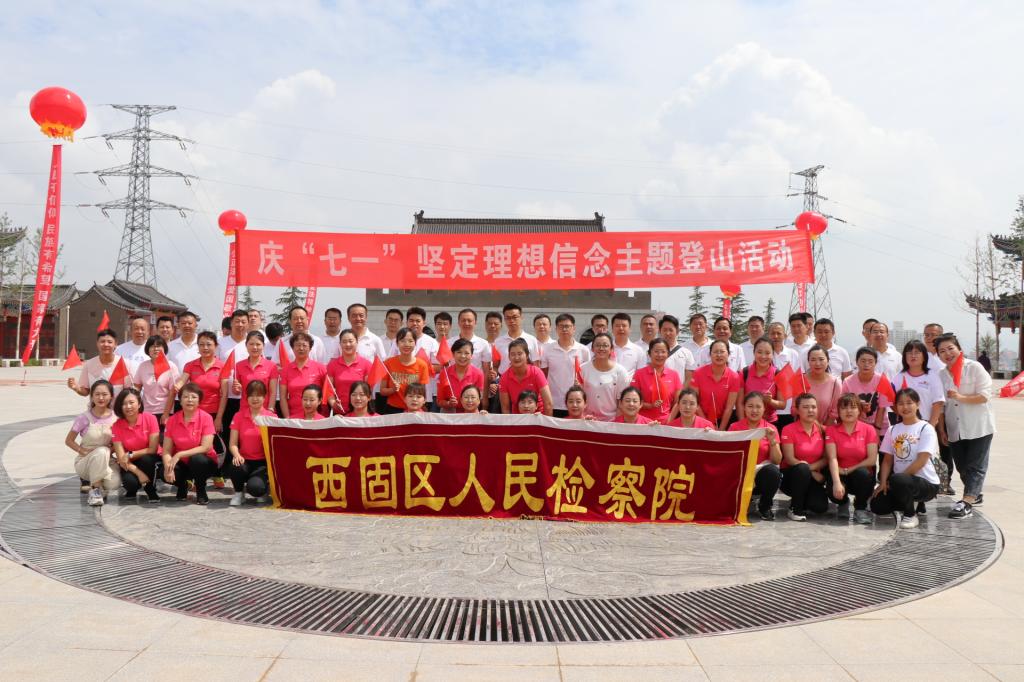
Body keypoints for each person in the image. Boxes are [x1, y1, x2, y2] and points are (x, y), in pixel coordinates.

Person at [936, 333, 995, 520]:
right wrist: (942, 429)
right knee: (962, 466)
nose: (947, 354)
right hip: (955, 428)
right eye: (942, 351)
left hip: (978, 426)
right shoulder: (941, 375)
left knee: (976, 465)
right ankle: (975, 493)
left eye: (950, 349)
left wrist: (960, 397)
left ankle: (966, 502)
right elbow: (942, 406)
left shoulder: (974, 367)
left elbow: (985, 396)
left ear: (959, 349)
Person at [871, 388, 942, 528]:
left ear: (918, 404)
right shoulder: (892, 430)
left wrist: (896, 481)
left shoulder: (926, 428)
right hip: (900, 482)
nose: (905, 407)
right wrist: (883, 483)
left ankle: (910, 515)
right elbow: (887, 460)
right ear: (896, 407)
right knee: (878, 506)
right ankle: (908, 501)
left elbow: (922, 460)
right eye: (901, 403)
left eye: (909, 403)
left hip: (926, 483)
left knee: (899, 480)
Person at [893, 340, 949, 493]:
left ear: (924, 356)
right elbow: (892, 402)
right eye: (909, 352)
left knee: (925, 462)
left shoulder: (932, 376)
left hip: (925, 425)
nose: (913, 355)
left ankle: (925, 494)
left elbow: (938, 402)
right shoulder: (899, 377)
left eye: (917, 352)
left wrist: (931, 425)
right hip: (905, 427)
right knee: (905, 458)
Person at [824, 393, 879, 524]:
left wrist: (849, 470)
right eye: (844, 408)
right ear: (838, 412)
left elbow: (872, 459)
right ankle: (843, 503)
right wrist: (837, 482)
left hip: (860, 474)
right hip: (839, 471)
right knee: (833, 487)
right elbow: (832, 458)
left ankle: (860, 508)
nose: (848, 411)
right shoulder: (831, 430)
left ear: (859, 410)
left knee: (863, 474)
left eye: (853, 407)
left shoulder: (869, 429)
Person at [64, 380, 119, 506]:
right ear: (91, 396)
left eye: (104, 394)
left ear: (111, 396)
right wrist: (82, 451)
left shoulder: (116, 418)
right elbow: (69, 440)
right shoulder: (83, 417)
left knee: (114, 483)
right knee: (102, 451)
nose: (101, 398)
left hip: (108, 460)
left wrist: (113, 450)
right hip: (85, 462)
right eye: (97, 394)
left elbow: (118, 442)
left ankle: (100, 486)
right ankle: (95, 490)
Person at [729, 391, 782, 520]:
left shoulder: (771, 429)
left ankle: (765, 505)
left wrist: (772, 441)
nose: (754, 410)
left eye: (758, 407)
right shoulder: (735, 427)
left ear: (764, 409)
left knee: (773, 472)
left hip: (760, 473)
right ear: (744, 408)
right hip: (740, 472)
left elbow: (777, 460)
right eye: (750, 406)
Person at [162, 383, 217, 504]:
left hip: (204, 462)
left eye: (193, 397)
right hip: (182, 463)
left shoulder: (206, 418)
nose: (190, 400)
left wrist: (179, 454)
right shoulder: (172, 420)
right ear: (180, 401)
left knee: (197, 459)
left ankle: (201, 490)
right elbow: (166, 450)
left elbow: (206, 447)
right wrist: (168, 467)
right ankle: (183, 485)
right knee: (163, 469)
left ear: (199, 401)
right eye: (186, 397)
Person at [779, 393, 830, 521]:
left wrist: (809, 470)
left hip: (812, 476)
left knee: (820, 507)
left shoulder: (824, 430)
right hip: (792, 475)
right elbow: (789, 459)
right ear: (797, 410)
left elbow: (826, 458)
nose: (810, 410)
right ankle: (795, 508)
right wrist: (810, 471)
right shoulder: (788, 429)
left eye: (813, 407)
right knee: (802, 469)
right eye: (805, 407)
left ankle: (802, 498)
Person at [226, 379, 274, 507]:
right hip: (244, 460)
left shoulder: (271, 417)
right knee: (235, 465)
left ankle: (263, 490)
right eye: (251, 395)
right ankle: (238, 493)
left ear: (265, 397)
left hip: (262, 463)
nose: (255, 399)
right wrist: (237, 455)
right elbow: (232, 444)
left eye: (258, 395)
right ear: (246, 398)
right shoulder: (238, 416)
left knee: (256, 489)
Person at [110, 388, 161, 502]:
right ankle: (134, 487)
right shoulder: (116, 426)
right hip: (129, 463)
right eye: (124, 404)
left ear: (139, 404)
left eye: (131, 402)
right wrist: (139, 473)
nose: (128, 406)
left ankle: (150, 489)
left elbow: (153, 449)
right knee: (130, 483)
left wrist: (131, 454)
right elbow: (121, 457)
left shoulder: (150, 418)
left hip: (150, 458)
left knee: (147, 459)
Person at [223, 331, 278, 433]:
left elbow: (273, 391)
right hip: (245, 410)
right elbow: (236, 392)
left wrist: (270, 409)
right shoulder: (239, 365)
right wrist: (236, 389)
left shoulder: (271, 366)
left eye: (258, 344)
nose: (255, 347)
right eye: (251, 344)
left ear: (263, 345)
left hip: (264, 411)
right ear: (246, 345)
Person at [542, 313, 591, 417]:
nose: (564, 329)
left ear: (574, 328)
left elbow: (587, 375)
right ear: (556, 329)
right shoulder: (548, 349)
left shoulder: (583, 350)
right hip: (554, 402)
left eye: (567, 326)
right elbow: (544, 375)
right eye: (561, 326)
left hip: (575, 404)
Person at [685, 339, 741, 430]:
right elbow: (695, 402)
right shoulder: (698, 373)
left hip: (723, 420)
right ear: (710, 355)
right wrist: (707, 424)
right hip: (700, 419)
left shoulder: (734, 377)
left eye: (722, 352)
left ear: (728, 354)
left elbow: (729, 407)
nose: (719, 355)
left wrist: (720, 430)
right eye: (715, 352)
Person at [579, 332, 631, 421]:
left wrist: (615, 422)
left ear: (611, 349)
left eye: (605, 345)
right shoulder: (582, 369)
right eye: (598, 345)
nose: (601, 348)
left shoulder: (621, 372)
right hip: (587, 420)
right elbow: (578, 397)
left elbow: (621, 403)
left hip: (611, 421)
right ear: (592, 349)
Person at [68, 329, 133, 399]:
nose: (106, 344)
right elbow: (86, 391)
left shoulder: (124, 363)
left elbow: (129, 390)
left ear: (115, 344)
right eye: (102, 341)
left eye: (110, 342)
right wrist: (76, 388)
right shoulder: (89, 364)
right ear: (97, 343)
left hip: (117, 406)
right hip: (96, 406)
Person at [131, 335, 180, 428]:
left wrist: (166, 414)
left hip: (164, 411)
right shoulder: (143, 366)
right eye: (152, 346)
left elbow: (172, 392)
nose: (156, 349)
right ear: (148, 349)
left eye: (159, 346)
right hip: (146, 411)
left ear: (164, 348)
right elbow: (137, 387)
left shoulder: (171, 366)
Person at [842, 347, 892, 437]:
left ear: (875, 363)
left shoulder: (882, 380)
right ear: (856, 362)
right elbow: (844, 405)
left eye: (870, 361)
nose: (866, 364)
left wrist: (877, 430)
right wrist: (858, 406)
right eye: (863, 361)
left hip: (880, 428)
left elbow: (882, 408)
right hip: (856, 428)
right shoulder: (848, 382)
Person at [631, 338, 682, 423]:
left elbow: (677, 402)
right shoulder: (639, 374)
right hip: (643, 422)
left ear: (668, 354)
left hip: (666, 422)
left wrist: (669, 420)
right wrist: (650, 406)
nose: (660, 355)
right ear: (649, 354)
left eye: (663, 352)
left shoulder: (674, 375)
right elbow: (633, 399)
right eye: (656, 351)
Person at [380, 328, 431, 414]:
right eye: (402, 341)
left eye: (410, 341)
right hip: (393, 410)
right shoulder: (388, 363)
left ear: (415, 343)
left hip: (414, 410)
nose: (406, 344)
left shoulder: (422, 365)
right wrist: (393, 389)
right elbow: (382, 391)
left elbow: (422, 393)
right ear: (397, 343)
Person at [499, 338, 554, 415]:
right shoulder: (504, 378)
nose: (516, 357)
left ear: (527, 355)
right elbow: (505, 408)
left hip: (538, 416)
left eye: (519, 354)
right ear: (509, 356)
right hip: (518, 418)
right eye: (513, 354)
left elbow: (548, 404)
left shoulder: (536, 372)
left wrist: (545, 421)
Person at [179, 331, 224, 422]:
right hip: (193, 411)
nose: (205, 348)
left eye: (209, 344)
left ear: (215, 346)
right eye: (201, 345)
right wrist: (177, 386)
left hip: (213, 413)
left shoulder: (222, 366)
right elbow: (181, 382)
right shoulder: (190, 365)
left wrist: (219, 418)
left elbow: (224, 395)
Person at [280, 332, 327, 419]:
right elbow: (283, 397)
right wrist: (287, 418)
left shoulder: (320, 368)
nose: (301, 348)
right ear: (292, 348)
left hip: (316, 418)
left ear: (310, 348)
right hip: (294, 418)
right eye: (298, 345)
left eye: (304, 345)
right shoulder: (286, 370)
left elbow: (327, 393)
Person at [325, 329, 371, 415]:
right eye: (344, 342)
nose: (348, 344)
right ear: (340, 344)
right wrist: (333, 404)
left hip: (359, 412)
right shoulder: (332, 365)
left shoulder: (366, 364)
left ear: (357, 342)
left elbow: (368, 390)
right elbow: (328, 389)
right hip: (340, 412)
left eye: (350, 341)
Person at [402, 307, 441, 408]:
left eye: (418, 321)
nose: (414, 323)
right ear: (406, 323)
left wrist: (419, 368)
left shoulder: (432, 342)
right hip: (402, 391)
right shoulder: (399, 340)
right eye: (411, 321)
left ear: (424, 323)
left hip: (423, 393)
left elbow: (439, 367)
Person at [740, 338, 784, 425]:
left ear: (772, 354)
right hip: (748, 424)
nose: (763, 356)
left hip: (770, 423)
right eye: (759, 352)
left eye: (767, 353)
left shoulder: (778, 374)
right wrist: (742, 424)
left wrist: (770, 401)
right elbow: (740, 403)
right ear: (754, 352)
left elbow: (782, 405)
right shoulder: (744, 373)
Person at [767, 322, 801, 429]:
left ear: (785, 336)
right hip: (768, 407)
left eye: (779, 333)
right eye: (773, 333)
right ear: (768, 335)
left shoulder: (793, 354)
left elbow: (798, 381)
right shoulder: (764, 354)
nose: (775, 336)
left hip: (788, 408)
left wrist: (795, 404)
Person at [438, 338, 485, 413]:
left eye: (466, 353)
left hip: (470, 414)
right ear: (453, 354)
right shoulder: (445, 373)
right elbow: (439, 401)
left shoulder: (478, 374)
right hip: (450, 414)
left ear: (471, 355)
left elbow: (479, 399)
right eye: (459, 352)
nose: (463, 356)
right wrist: (449, 404)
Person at [494, 303, 541, 373]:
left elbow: (536, 364)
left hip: (526, 378)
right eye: (508, 318)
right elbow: (495, 365)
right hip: (504, 378)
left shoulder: (532, 340)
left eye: (515, 317)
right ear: (504, 320)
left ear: (521, 317)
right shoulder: (498, 342)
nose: (511, 321)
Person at [805, 345, 842, 427]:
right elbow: (794, 409)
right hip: (803, 428)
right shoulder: (801, 381)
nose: (817, 363)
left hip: (828, 428)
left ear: (828, 361)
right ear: (808, 362)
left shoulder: (835, 383)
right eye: (813, 360)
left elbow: (835, 411)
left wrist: (822, 429)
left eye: (821, 359)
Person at [659, 315, 695, 385]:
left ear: (677, 331)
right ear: (660, 331)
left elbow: (689, 377)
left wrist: (681, 391)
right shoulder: (654, 353)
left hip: (680, 391)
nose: (667, 333)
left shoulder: (686, 353)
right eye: (665, 330)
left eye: (671, 330)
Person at [455, 308, 493, 375]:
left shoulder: (483, 344)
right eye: (463, 320)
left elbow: (486, 370)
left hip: (476, 381)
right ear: (458, 322)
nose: (466, 323)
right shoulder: (449, 343)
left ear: (475, 322)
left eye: (469, 321)